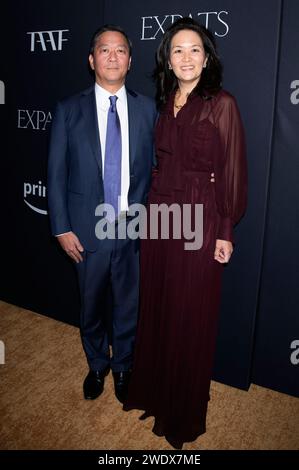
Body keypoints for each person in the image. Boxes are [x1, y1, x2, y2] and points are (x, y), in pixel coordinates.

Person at [124, 17, 247, 448]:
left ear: (208, 56)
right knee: (157, 308)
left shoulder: (222, 103)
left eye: (195, 48)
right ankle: (154, 394)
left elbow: (232, 171)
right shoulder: (164, 103)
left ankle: (182, 411)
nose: (186, 57)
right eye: (178, 49)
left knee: (191, 317)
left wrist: (226, 230)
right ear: (167, 59)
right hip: (160, 219)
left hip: (200, 221)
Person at [47, 25, 156, 404]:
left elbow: (157, 169)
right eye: (104, 50)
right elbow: (56, 174)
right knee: (90, 304)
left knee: (129, 304)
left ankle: (123, 365)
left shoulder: (147, 109)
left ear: (130, 60)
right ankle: (97, 363)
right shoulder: (68, 109)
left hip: (131, 227)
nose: (113, 56)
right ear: (91, 59)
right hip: (85, 229)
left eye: (121, 50)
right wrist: (61, 227)